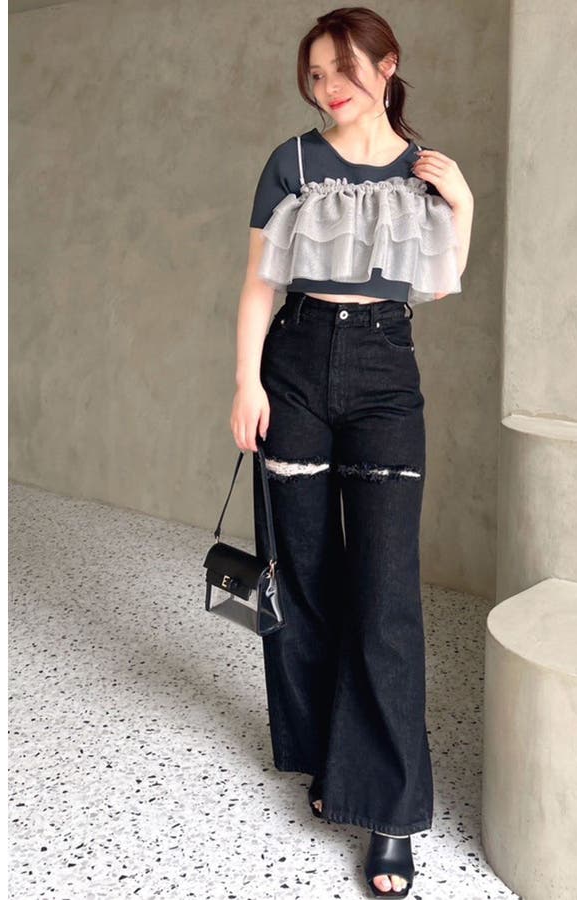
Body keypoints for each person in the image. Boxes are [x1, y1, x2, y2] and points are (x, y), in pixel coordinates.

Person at [229, 7, 473, 897]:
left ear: (387, 65)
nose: (328, 87)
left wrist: (463, 203)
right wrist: (247, 383)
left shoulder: (424, 168)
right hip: (293, 365)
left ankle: (392, 815)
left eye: (343, 69)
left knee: (384, 595)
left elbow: (439, 285)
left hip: (383, 371)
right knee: (301, 575)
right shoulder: (291, 163)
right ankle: (331, 762)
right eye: (316, 73)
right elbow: (258, 283)